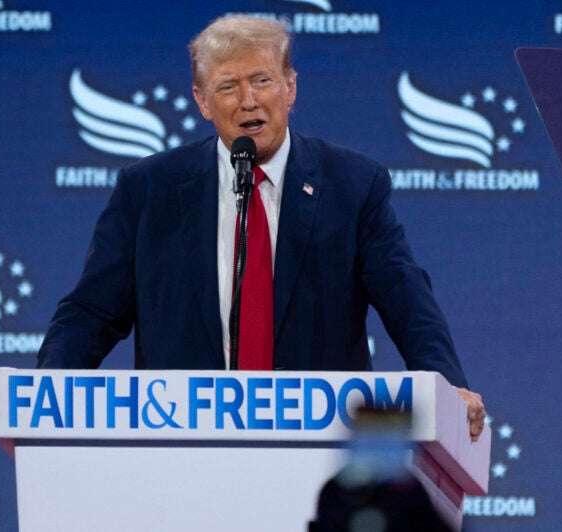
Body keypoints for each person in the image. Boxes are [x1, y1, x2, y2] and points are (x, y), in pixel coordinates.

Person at [38, 15, 486, 440]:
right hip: (183, 443)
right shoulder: (149, 190)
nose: (248, 100)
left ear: (291, 88)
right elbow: (92, 311)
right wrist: (46, 392)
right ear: (202, 101)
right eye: (228, 86)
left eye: (262, 81)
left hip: (320, 443)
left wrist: (446, 390)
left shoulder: (353, 184)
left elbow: (406, 298)